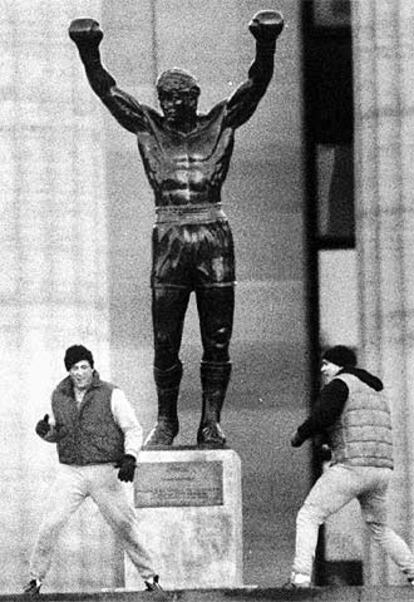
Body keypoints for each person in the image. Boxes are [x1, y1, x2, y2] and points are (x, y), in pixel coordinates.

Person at [68, 10, 284, 449]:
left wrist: (266, 43)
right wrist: (88, 51)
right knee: (165, 338)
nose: (169, 104)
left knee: (217, 337)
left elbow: (255, 86)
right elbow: (109, 92)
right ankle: (166, 421)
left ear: (194, 97)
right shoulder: (149, 126)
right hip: (169, 234)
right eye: (164, 96)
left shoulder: (221, 120)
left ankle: (211, 422)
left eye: (178, 97)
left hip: (212, 231)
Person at [24, 345, 163, 596]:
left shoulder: (111, 394)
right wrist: (47, 432)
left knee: (125, 524)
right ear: (68, 370)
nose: (80, 372)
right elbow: (62, 433)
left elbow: (132, 428)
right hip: (72, 472)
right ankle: (35, 581)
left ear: (92, 367)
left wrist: (131, 457)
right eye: (75, 368)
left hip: (103, 470)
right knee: (50, 524)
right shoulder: (59, 395)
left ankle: (151, 578)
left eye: (84, 366)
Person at [288, 345, 414, 589]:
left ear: (338, 365)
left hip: (353, 467)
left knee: (309, 515)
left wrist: (300, 435)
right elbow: (355, 424)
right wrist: (328, 444)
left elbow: (323, 416)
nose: (323, 369)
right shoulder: (376, 390)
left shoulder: (340, 383)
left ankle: (300, 577)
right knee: (379, 527)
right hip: (381, 470)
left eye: (326, 364)